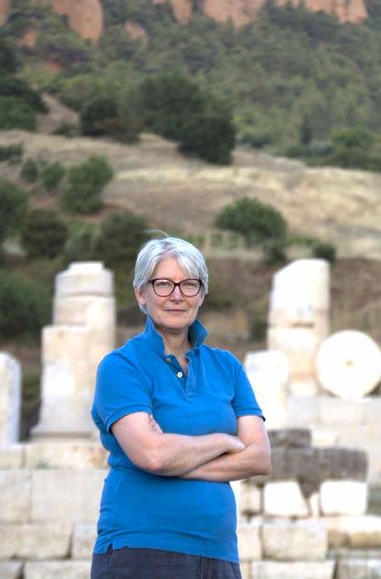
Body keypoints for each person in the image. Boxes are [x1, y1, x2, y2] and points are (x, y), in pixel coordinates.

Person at [90, 234, 271, 579]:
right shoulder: (121, 366)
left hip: (219, 556)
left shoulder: (227, 366)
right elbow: (152, 455)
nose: (176, 295)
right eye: (163, 284)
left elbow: (260, 457)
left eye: (189, 284)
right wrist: (223, 442)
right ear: (141, 293)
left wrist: (175, 458)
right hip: (141, 552)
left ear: (201, 294)